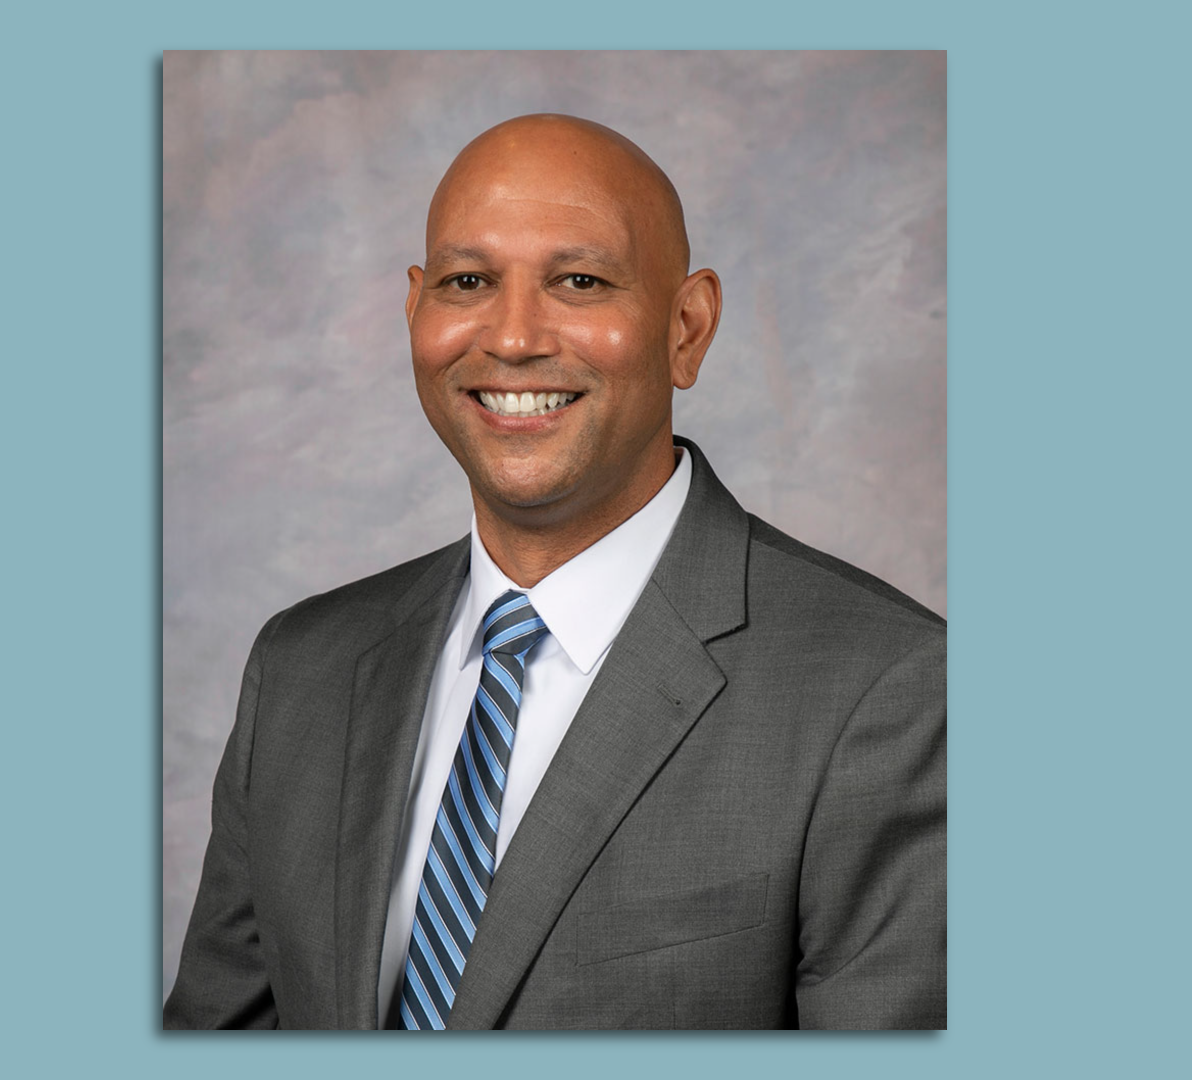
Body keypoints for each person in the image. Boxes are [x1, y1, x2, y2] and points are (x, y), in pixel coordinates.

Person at [164, 114, 945, 1030]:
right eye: (468, 282)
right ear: (416, 310)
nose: (514, 336)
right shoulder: (303, 668)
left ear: (686, 328)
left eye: (580, 281)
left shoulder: (890, 692)